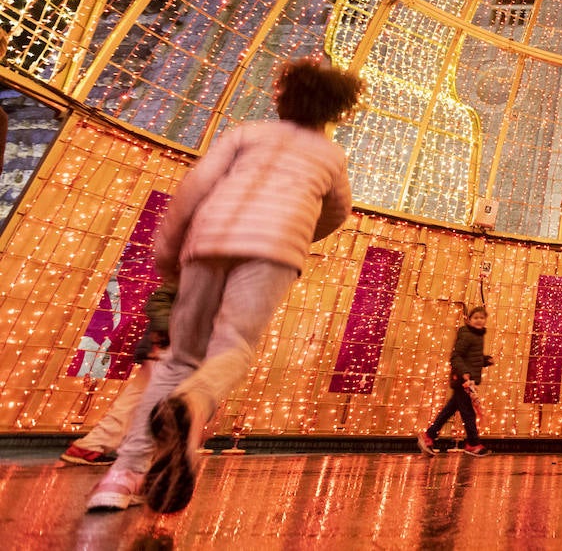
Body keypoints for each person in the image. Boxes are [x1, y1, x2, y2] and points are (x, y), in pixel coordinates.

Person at [86, 58, 364, 514]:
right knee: (233, 347)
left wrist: (168, 254)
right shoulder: (331, 156)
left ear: (285, 97)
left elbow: (194, 188)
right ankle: (192, 405)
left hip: (206, 242)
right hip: (274, 250)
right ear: (336, 109)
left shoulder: (245, 133)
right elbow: (337, 212)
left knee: (178, 358)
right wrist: (296, 228)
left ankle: (122, 477)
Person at [62, 282, 177, 465]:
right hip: (171, 348)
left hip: (178, 349)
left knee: (140, 400)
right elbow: (160, 299)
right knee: (141, 400)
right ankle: (92, 447)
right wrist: (170, 332)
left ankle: (93, 447)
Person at [418, 305, 494, 457]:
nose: (479, 320)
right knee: (468, 413)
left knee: (449, 410)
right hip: (462, 380)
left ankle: (429, 436)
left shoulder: (477, 336)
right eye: (476, 318)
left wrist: (485, 360)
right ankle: (472, 443)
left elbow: (471, 358)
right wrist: (464, 372)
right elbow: (456, 356)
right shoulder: (467, 334)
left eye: (482, 318)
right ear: (469, 320)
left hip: (467, 380)